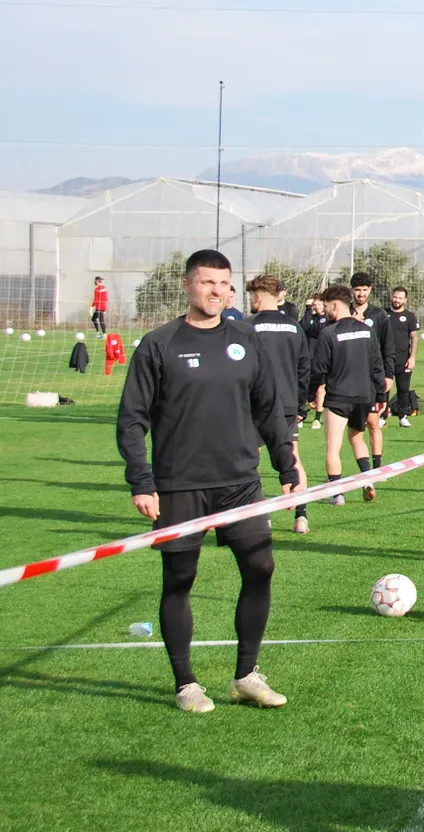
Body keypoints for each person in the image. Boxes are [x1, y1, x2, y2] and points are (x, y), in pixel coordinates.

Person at [115, 249, 301, 713]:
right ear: (187, 286)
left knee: (260, 569)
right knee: (180, 579)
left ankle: (246, 675)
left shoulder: (246, 338)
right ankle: (186, 684)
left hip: (240, 479)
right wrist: (142, 481)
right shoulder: (159, 345)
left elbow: (269, 409)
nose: (217, 292)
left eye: (225, 284)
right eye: (207, 283)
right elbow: (132, 419)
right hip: (180, 484)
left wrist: (287, 466)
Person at [248, 275, 312, 535]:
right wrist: (300, 407)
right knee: (293, 455)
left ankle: (262, 517)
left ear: (259, 296)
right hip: (286, 405)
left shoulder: (246, 327)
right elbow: (304, 369)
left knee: (250, 460)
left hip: (253, 405)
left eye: (252, 295)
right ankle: (302, 517)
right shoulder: (294, 328)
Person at [312, 283, 386, 506]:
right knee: (357, 438)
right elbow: (377, 365)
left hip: (338, 398)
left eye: (326, 306)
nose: (325, 311)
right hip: (364, 396)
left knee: (333, 446)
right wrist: (381, 395)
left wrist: (311, 394)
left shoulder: (328, 333)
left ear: (335, 305)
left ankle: (337, 494)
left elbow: (319, 369)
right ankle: (367, 481)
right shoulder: (367, 330)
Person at [349, 273, 390, 464]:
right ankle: (334, 471)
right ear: (352, 291)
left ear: (370, 290)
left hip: (372, 376)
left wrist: (388, 375)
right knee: (349, 428)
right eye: (357, 290)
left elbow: (388, 347)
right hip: (348, 376)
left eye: (365, 290)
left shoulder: (379, 315)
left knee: (373, 422)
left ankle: (377, 466)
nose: (361, 294)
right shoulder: (345, 312)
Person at [386, 285, 420, 428]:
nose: (397, 300)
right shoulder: (383, 314)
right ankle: (382, 416)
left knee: (403, 389)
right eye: (395, 297)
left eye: (400, 298)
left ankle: (403, 417)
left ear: (405, 300)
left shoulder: (409, 316)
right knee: (384, 388)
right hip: (385, 358)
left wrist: (412, 358)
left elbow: (414, 338)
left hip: (403, 359)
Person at [297, 295, 330, 430]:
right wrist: (308, 310)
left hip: (321, 358)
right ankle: (301, 414)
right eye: (314, 304)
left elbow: (319, 331)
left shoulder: (327, 319)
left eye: (318, 304)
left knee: (321, 388)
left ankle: (317, 418)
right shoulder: (310, 316)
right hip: (308, 357)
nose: (316, 307)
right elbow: (302, 327)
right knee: (305, 387)